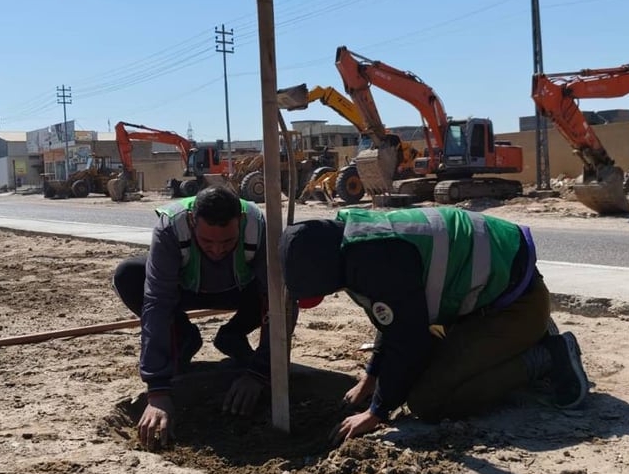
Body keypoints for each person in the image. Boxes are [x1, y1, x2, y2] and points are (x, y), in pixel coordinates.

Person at [278, 207, 589, 443]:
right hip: (491, 300)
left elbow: (408, 341)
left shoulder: (375, 259)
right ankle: (524, 338)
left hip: (518, 305)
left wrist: (377, 412)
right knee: (417, 371)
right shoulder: (350, 236)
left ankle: (548, 355)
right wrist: (371, 376)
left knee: (429, 400)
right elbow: (392, 315)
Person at [113, 185, 273, 450]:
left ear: (240, 223)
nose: (218, 250)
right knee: (128, 274)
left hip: (239, 291)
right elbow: (157, 303)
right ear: (191, 222)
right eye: (207, 241)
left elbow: (279, 302)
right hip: (186, 292)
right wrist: (158, 389)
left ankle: (232, 335)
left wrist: (260, 372)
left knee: (283, 288)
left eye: (227, 242)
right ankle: (185, 339)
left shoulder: (256, 225)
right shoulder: (171, 228)